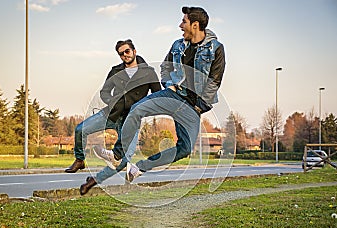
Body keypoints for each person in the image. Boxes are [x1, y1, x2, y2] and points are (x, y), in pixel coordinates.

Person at [93, 6, 226, 185]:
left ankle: (138, 168)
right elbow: (165, 67)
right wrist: (169, 85)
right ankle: (118, 154)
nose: (180, 25)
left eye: (184, 22)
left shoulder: (215, 48)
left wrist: (198, 106)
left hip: (192, 107)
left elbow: (214, 81)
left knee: (185, 149)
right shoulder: (178, 45)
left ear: (195, 25)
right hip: (174, 95)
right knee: (136, 109)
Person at [64, 39, 161, 194]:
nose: (124, 55)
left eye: (127, 51)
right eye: (121, 54)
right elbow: (104, 92)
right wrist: (113, 102)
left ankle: (93, 181)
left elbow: (156, 95)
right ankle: (80, 160)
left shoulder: (148, 72)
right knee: (80, 129)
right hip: (111, 113)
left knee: (123, 160)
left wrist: (142, 108)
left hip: (131, 119)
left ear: (134, 51)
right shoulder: (115, 71)